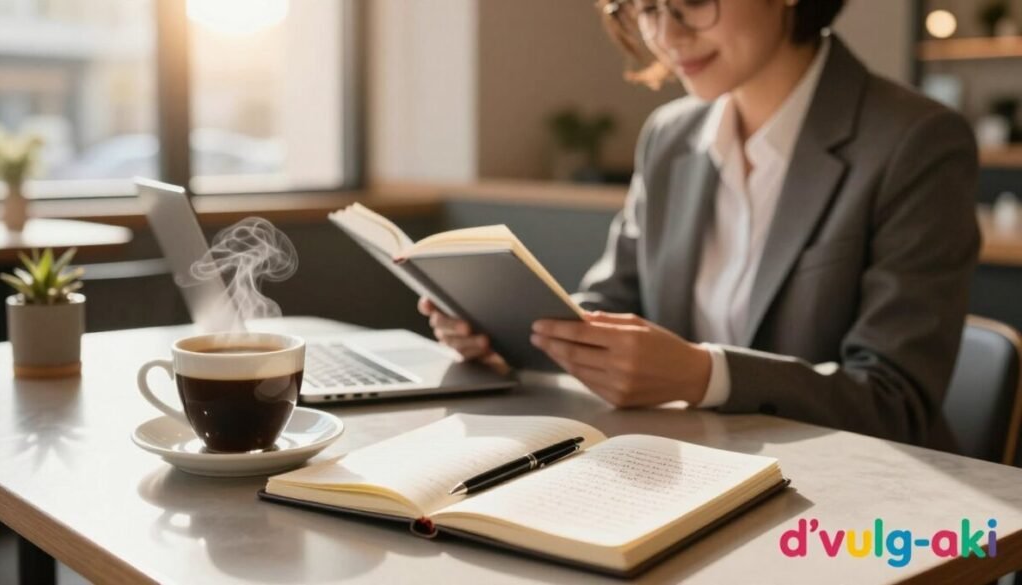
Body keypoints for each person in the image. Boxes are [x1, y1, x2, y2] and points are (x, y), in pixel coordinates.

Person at [419, 0, 979, 448]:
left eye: (690, 1)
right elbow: (610, 305)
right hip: (693, 471)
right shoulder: (671, 136)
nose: (665, 35)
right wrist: (503, 333)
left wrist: (702, 374)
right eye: (642, 8)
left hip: (855, 510)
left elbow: (893, 399)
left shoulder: (916, 142)